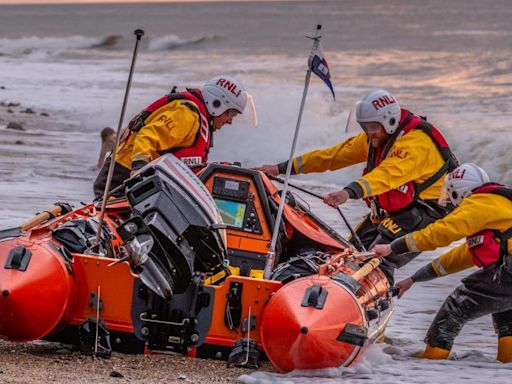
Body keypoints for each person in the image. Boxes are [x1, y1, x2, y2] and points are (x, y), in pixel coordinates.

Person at [257, 89, 458, 283]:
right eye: (365, 127)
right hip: (401, 208)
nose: (369, 133)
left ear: (390, 122)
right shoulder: (376, 137)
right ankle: (324, 292)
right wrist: (281, 168)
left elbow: (385, 175)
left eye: (372, 127)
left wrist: (348, 192)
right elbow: (332, 156)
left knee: (378, 258)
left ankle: (370, 300)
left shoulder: (416, 145)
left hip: (430, 210)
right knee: (348, 253)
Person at [372, 163, 512, 362]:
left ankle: (432, 361)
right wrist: (413, 279)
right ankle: (506, 363)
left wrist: (393, 247)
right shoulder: (498, 206)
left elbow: (440, 232)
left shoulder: (480, 202)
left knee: (457, 306)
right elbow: (461, 256)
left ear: (459, 192)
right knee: (507, 311)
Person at [94, 75, 248, 198]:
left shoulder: (198, 120)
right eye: (231, 113)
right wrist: (138, 169)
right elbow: (146, 137)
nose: (230, 121)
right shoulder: (186, 116)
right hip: (120, 181)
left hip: (140, 185)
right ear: (217, 104)